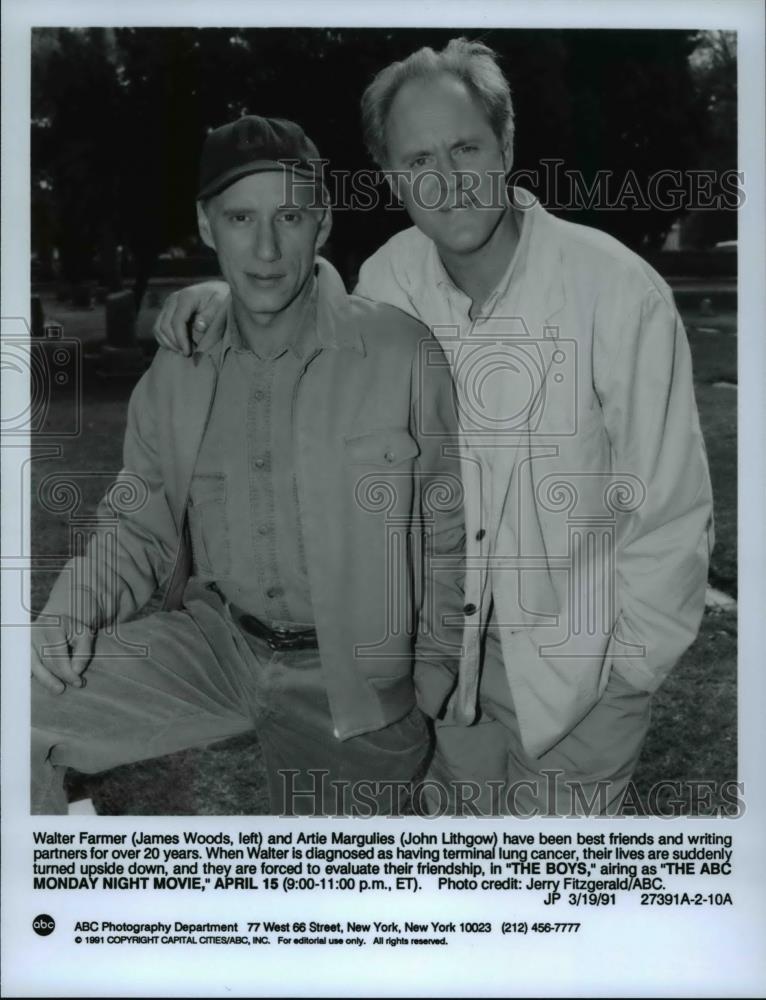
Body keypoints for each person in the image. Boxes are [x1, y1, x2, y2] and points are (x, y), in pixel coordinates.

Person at [154, 39, 714, 817]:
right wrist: (225, 288)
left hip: (579, 674)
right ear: (390, 175)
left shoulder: (617, 292)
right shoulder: (390, 279)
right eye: (418, 160)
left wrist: (628, 677)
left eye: (465, 148)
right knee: (449, 910)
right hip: (438, 676)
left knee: (547, 917)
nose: (447, 182)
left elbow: (673, 512)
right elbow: (304, 314)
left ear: (507, 145)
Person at [32, 114, 466, 817]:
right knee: (19, 699)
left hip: (352, 685)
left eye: (290, 216)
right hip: (215, 644)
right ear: (207, 227)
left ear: (320, 224)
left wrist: (436, 670)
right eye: (241, 217)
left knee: (328, 914)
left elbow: (451, 532)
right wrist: (73, 604)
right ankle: (50, 906)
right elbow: (139, 524)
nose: (266, 247)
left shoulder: (400, 353)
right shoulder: (180, 365)